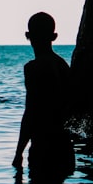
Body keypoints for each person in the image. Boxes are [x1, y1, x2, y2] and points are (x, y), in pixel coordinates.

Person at [12, 12, 75, 175]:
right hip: (65, 148)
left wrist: (18, 153)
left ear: (28, 36)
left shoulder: (33, 68)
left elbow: (31, 112)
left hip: (43, 148)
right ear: (54, 36)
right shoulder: (63, 66)